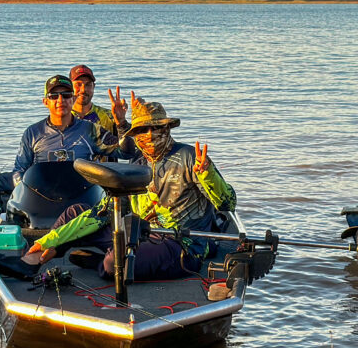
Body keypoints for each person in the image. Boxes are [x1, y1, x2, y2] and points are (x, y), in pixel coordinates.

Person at [24, 95, 234, 281]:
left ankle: (101, 262)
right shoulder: (137, 164)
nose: (150, 135)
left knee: (113, 263)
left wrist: (207, 174)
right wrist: (50, 239)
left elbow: (228, 203)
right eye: (143, 129)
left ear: (167, 128)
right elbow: (103, 213)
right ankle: (39, 257)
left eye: (156, 128)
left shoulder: (190, 157)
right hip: (140, 234)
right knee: (74, 212)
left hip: (180, 245)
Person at [13, 74, 100, 175]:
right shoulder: (32, 133)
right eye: (54, 96)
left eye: (66, 95)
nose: (60, 100)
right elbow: (19, 171)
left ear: (74, 99)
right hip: (43, 189)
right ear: (45, 102)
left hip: (83, 189)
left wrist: (121, 123)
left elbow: (121, 152)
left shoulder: (91, 130)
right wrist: (21, 185)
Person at [70, 65, 131, 156]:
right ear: (70, 87)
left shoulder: (109, 116)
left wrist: (122, 122)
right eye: (78, 84)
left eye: (88, 85)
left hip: (106, 169)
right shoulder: (64, 118)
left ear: (94, 86)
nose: (83, 90)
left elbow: (130, 149)